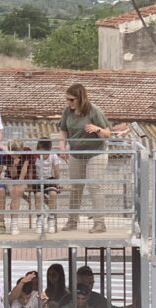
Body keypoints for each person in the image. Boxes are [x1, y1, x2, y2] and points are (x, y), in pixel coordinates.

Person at [59, 83, 111, 234]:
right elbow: (63, 131)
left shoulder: (94, 111)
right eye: (67, 100)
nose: (68, 103)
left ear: (80, 98)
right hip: (76, 153)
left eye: (71, 99)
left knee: (94, 186)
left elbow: (107, 133)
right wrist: (62, 148)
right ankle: (72, 220)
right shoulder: (67, 112)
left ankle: (100, 223)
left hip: (96, 153)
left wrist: (97, 129)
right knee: (75, 186)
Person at [4, 139, 34, 235]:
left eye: (17, 152)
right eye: (13, 153)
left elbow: (25, 169)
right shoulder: (8, 156)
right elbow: (12, 175)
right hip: (10, 178)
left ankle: (14, 223)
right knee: (14, 191)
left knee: (16, 191)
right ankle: (14, 222)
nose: (15, 155)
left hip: (23, 178)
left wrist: (20, 182)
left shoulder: (27, 152)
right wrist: (14, 165)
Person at [34, 139, 61, 234]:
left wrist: (57, 183)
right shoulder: (35, 157)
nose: (43, 154)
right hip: (38, 179)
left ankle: (51, 219)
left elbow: (57, 171)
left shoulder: (53, 156)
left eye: (45, 152)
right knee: (38, 196)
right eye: (40, 151)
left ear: (49, 150)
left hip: (50, 179)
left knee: (53, 194)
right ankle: (39, 219)